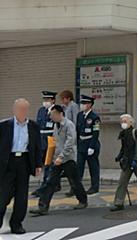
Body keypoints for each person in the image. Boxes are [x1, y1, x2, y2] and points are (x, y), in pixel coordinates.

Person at [30, 105, 87, 216]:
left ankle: (83, 200)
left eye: (52, 115)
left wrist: (62, 156)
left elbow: (70, 142)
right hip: (57, 159)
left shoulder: (69, 125)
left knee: (74, 181)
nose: (51, 117)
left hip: (68, 159)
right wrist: (53, 156)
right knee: (50, 182)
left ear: (60, 113)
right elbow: (55, 142)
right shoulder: (56, 125)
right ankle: (43, 206)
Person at [0, 99, 42, 235]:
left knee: (22, 196)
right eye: (19, 109)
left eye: (24, 109)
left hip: (24, 162)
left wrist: (37, 165)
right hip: (7, 162)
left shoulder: (33, 126)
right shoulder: (4, 125)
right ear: (14, 110)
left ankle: (16, 223)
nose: (22, 111)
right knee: (3, 195)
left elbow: (37, 147)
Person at [111, 114, 137, 211]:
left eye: (125, 121)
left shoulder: (136, 132)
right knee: (122, 181)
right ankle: (118, 203)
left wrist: (136, 159)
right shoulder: (123, 133)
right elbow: (124, 148)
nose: (123, 123)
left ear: (131, 122)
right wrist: (119, 156)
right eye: (122, 121)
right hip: (127, 161)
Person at [76, 95, 101, 195]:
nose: (82, 105)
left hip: (91, 143)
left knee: (93, 167)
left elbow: (96, 133)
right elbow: (78, 130)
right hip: (81, 144)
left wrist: (91, 147)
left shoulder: (95, 118)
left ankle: (94, 187)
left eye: (84, 103)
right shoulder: (80, 115)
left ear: (90, 105)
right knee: (79, 167)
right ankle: (77, 187)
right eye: (82, 103)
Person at [33, 91, 56, 197]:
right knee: (44, 163)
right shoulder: (41, 110)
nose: (45, 102)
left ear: (52, 100)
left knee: (49, 164)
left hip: (51, 140)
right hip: (42, 140)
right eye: (44, 100)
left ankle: (45, 186)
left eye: (47, 100)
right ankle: (52, 184)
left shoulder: (56, 111)